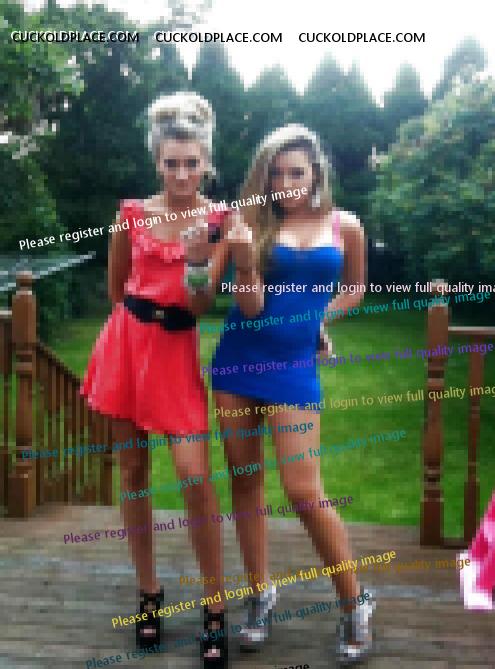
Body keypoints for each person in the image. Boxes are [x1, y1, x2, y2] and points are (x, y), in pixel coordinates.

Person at [210, 124, 374, 664]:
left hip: (294, 367)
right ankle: (260, 594)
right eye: (275, 174)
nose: (285, 185)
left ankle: (354, 602)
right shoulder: (251, 222)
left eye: (296, 173)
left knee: (304, 490)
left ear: (316, 172)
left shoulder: (345, 226)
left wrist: (320, 318)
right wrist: (245, 261)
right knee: (245, 483)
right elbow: (251, 306)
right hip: (239, 363)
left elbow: (354, 289)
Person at [80, 92, 230, 667]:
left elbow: (201, 305)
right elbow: (116, 289)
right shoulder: (131, 216)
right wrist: (131, 331)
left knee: (195, 476)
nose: (182, 174)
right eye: (172, 163)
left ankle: (215, 605)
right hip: (126, 348)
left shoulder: (218, 222)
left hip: (175, 351)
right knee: (133, 471)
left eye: (192, 163)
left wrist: (194, 262)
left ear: (206, 162)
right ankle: (149, 594)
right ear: (157, 162)